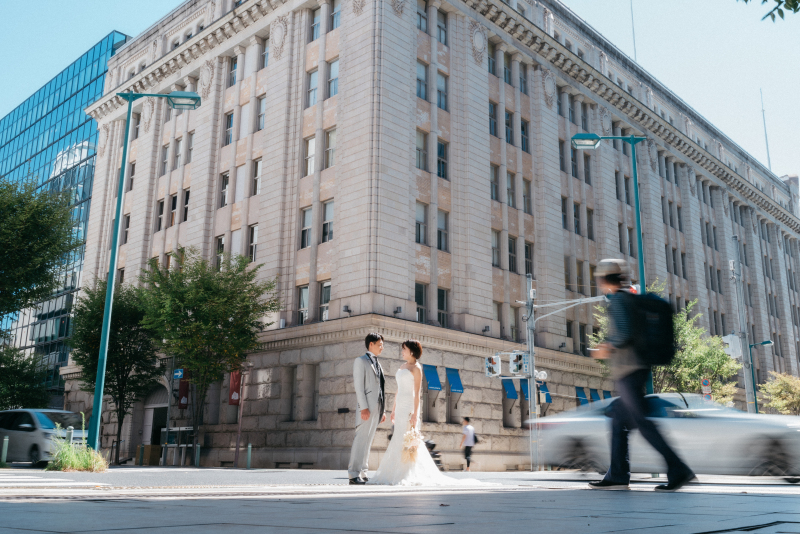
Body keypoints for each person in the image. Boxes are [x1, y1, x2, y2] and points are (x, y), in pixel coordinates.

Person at [589, 259, 695, 492]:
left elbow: (624, 334)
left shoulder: (618, 301)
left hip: (629, 370)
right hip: (635, 368)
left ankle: (678, 469)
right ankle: (617, 475)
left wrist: (605, 347)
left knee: (642, 423)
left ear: (604, 279)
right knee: (618, 419)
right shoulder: (627, 299)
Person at [370, 340, 487, 486]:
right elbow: (398, 390)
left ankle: (407, 472)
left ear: (411, 351)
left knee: (408, 440)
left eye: (404, 349)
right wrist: (393, 409)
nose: (402, 351)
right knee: (398, 439)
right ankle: (395, 472)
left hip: (409, 408)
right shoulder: (402, 366)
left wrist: (415, 414)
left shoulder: (417, 368)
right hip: (399, 407)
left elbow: (417, 393)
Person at [347, 332, 386, 484]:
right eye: (380, 345)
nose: (382, 348)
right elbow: (359, 386)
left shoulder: (378, 363)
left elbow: (381, 388)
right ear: (371, 344)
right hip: (366, 408)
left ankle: (363, 472)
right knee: (360, 439)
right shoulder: (360, 361)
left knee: (368, 440)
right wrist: (363, 407)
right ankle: (353, 474)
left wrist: (382, 410)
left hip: (377, 407)